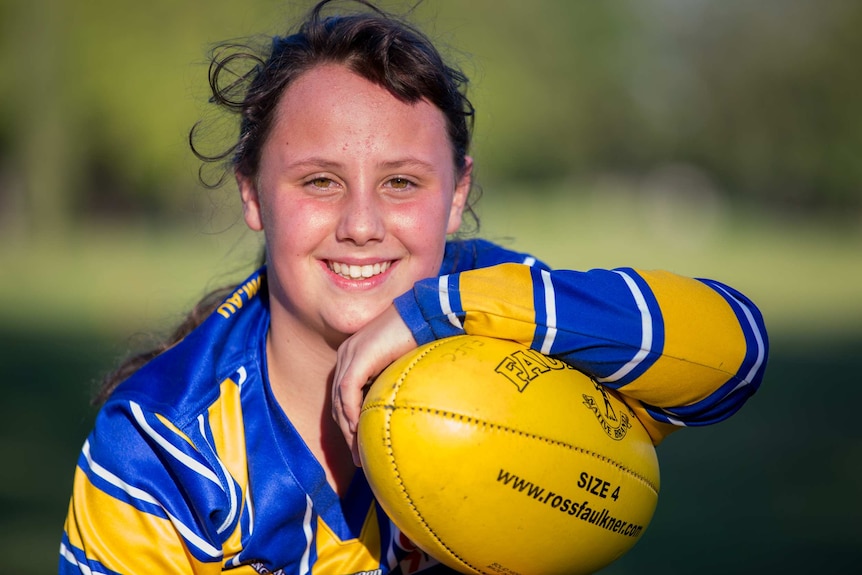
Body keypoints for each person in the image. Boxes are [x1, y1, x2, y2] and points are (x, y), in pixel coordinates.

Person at [59, 1, 769, 574]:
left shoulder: (500, 314)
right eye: (319, 181)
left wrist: (444, 311)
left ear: (457, 193)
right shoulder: (160, 446)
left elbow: (737, 355)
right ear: (252, 193)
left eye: (401, 182)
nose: (363, 224)